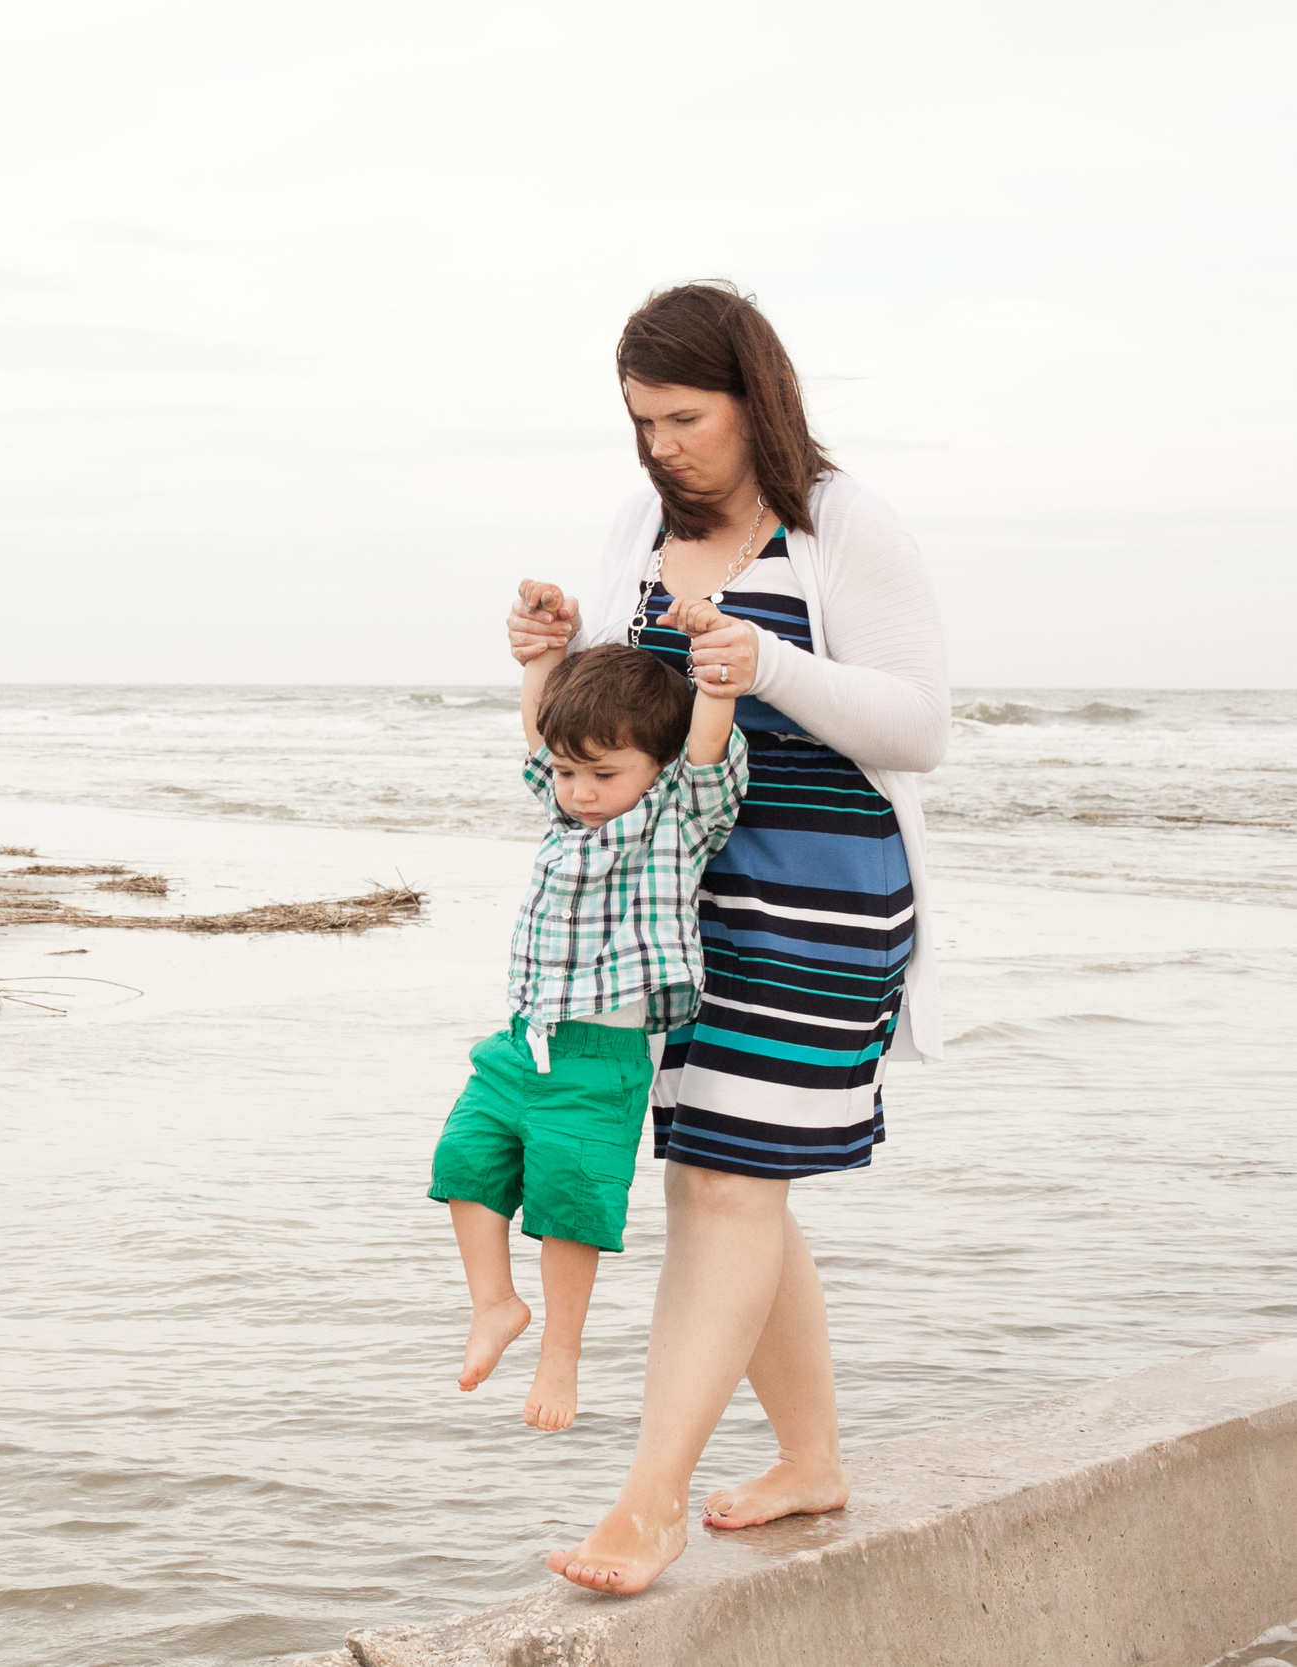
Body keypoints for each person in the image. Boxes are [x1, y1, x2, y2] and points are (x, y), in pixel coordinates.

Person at [510, 282, 950, 1595]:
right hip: (680, 903)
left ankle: (650, 1500)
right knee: (730, 1173)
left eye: (685, 418)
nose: (663, 448)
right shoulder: (636, 526)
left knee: (722, 1182)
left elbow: (918, 725)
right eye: (644, 422)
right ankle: (809, 1456)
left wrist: (767, 665)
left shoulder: (844, 520)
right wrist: (544, 655)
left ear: (755, 397)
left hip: (822, 897)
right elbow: (602, 732)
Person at [431, 609, 747, 1432]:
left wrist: (716, 674)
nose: (579, 791)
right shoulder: (566, 808)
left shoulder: (676, 815)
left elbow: (708, 749)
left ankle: (561, 1351)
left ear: (656, 767)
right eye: (571, 774)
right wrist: (542, 657)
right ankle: (495, 1303)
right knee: (463, 1155)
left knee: (569, 1201)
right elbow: (541, 738)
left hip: (601, 1058)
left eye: (602, 775)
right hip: (520, 1040)